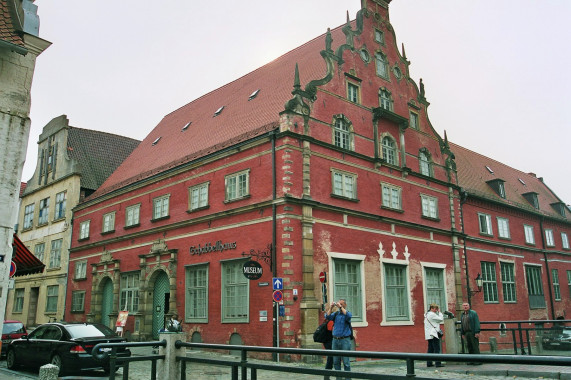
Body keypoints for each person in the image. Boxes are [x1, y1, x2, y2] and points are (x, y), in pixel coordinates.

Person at [325, 299, 352, 379]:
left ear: (345, 305)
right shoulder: (336, 314)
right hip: (335, 340)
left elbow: (349, 316)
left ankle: (348, 378)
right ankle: (338, 378)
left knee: (346, 362)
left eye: (341, 304)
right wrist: (331, 307)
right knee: (336, 362)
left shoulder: (347, 314)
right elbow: (327, 316)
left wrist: (341, 308)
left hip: (345, 340)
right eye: (339, 304)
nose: (339, 305)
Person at [424, 303, 444, 367]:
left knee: (430, 349)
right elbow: (440, 319)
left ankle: (429, 363)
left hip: (429, 334)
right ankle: (438, 363)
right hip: (434, 333)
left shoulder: (427, 314)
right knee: (437, 349)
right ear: (432, 308)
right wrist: (440, 313)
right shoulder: (432, 315)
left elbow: (436, 321)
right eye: (436, 309)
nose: (436, 310)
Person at [322, 303, 336, 379]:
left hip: (327, 341)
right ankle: (326, 376)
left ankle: (327, 376)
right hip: (329, 341)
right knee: (330, 359)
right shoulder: (330, 321)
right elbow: (331, 330)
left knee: (331, 359)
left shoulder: (326, 319)